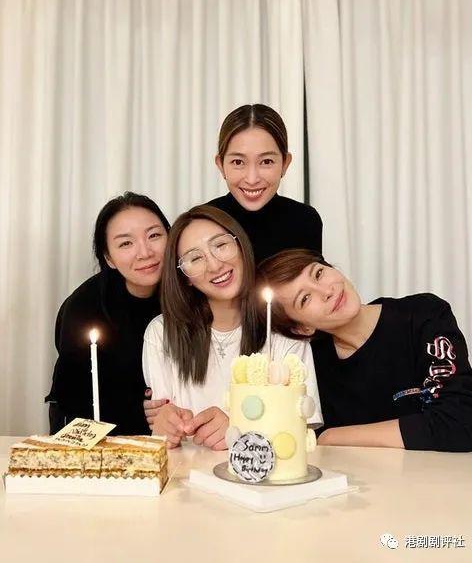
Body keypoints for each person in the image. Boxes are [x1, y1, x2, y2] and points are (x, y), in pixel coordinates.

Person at [257, 249, 472, 451]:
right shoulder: (311, 365)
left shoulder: (423, 315)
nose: (326, 291)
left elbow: (464, 419)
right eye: (305, 298)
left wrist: (331, 436)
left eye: (318, 273)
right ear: (302, 328)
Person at [142, 206, 321, 449]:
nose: (215, 265)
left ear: (241, 245)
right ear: (185, 277)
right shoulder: (161, 333)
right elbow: (165, 426)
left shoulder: (282, 327)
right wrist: (165, 427)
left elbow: (304, 433)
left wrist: (239, 428)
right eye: (195, 258)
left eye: (221, 245)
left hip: (263, 474)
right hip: (187, 471)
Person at [45, 192, 170, 435]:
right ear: (108, 258)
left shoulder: (192, 291)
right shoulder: (84, 308)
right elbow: (75, 399)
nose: (145, 252)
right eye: (126, 243)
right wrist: (141, 408)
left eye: (154, 235)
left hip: (176, 434)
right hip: (100, 433)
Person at [208, 104, 323, 263]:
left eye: (266, 161)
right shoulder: (202, 223)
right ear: (221, 165)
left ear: (285, 164)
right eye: (238, 162)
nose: (252, 179)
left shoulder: (305, 220)